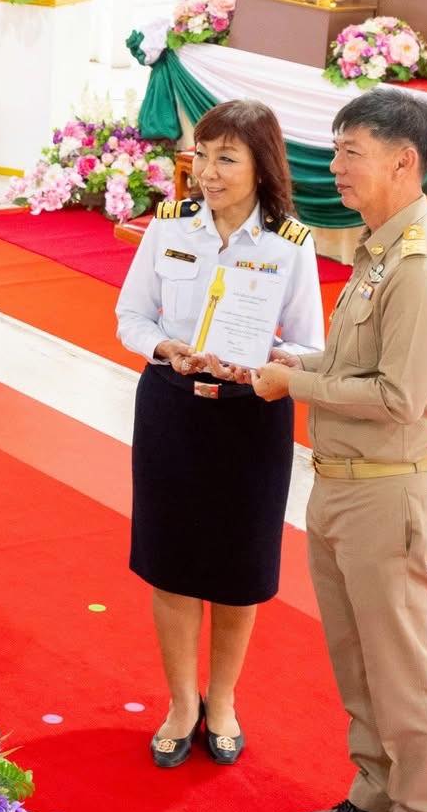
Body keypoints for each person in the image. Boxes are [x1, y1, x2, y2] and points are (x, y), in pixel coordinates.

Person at [251, 88, 427, 812]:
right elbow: (353, 367)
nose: (335, 166)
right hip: (341, 484)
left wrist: (293, 383)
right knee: (357, 658)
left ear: (403, 161)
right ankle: (376, 791)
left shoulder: (418, 265)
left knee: (400, 664)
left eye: (351, 151)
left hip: (388, 493)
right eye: (337, 149)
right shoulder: (378, 249)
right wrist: (293, 364)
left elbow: (398, 396)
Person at [113, 100, 323, 769]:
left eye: (226, 157)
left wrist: (272, 362)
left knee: (238, 568)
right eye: (201, 155)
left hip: (251, 415)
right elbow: (129, 316)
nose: (207, 171)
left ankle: (223, 699)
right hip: (174, 405)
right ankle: (180, 701)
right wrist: (165, 346)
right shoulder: (170, 227)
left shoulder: (290, 243)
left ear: (262, 166)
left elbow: (308, 343)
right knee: (171, 561)